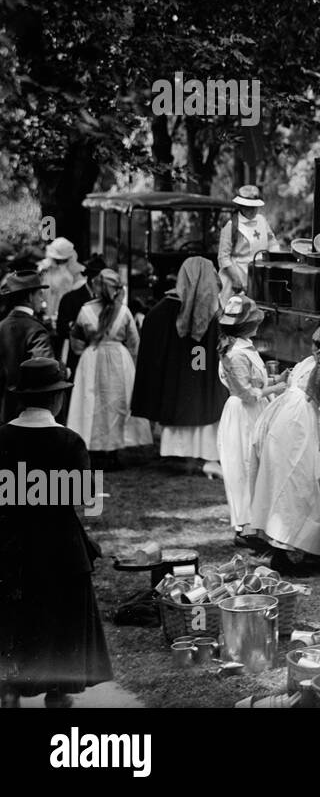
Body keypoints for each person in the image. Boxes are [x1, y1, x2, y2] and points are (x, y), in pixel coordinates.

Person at [0, 358, 113, 709]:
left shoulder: (2, 437)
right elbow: (88, 503)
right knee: (63, 626)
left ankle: (9, 692)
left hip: (11, 550)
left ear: (22, 398)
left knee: (13, 624)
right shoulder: (70, 442)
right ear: (57, 400)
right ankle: (59, 694)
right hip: (61, 550)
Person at [245, 316, 320, 571]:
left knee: (287, 482)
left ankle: (285, 547)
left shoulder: (311, 360)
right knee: (299, 483)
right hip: (297, 423)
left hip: (283, 414)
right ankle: (287, 553)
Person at [132, 256, 227, 474]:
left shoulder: (160, 312)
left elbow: (151, 354)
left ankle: (183, 457)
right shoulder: (214, 313)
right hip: (203, 383)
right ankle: (205, 457)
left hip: (176, 386)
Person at [66, 269, 152, 468]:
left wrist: (85, 350)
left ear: (96, 286)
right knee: (117, 403)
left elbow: (76, 341)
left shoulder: (85, 311)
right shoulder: (124, 312)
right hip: (118, 360)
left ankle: (94, 450)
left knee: (91, 403)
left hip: (92, 357)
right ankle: (113, 451)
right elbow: (134, 342)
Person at [216, 295, 281, 541]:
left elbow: (254, 383)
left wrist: (274, 380)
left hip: (253, 411)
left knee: (256, 464)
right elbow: (246, 393)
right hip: (243, 413)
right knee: (243, 467)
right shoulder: (235, 354)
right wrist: (276, 388)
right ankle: (245, 526)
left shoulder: (244, 347)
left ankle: (256, 521)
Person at [0, 271, 54, 425]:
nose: (42, 299)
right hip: (27, 412)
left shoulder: (1, 326)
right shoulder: (36, 329)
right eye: (40, 294)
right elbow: (45, 368)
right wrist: (63, 370)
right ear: (30, 297)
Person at [217, 185, 279, 303]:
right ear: (242, 207)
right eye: (248, 207)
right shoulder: (231, 225)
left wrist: (275, 260)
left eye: (254, 207)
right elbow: (223, 256)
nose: (252, 210)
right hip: (237, 275)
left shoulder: (261, 220)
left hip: (260, 273)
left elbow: (272, 241)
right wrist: (236, 280)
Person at [55, 256, 105, 381]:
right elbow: (61, 328)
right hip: (77, 357)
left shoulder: (106, 300)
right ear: (92, 278)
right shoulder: (70, 298)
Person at [39, 238, 84, 326]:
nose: (60, 262)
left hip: (67, 314)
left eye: (63, 260)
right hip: (48, 312)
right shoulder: (45, 269)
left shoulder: (77, 271)